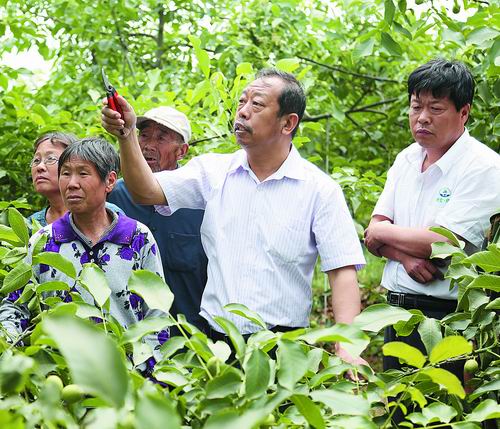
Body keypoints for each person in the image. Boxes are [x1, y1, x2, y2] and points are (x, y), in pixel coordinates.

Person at [101, 69, 366, 364]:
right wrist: (126, 134)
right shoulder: (213, 172)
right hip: (215, 346)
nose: (242, 111)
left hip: (283, 348)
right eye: (242, 101)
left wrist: (348, 348)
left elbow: (341, 271)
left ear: (288, 123)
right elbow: (146, 191)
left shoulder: (320, 190)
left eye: (257, 104)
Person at [364, 59, 500, 374]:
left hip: (449, 319)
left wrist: (384, 236)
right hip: (396, 312)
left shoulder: (484, 167)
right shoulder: (406, 158)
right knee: (398, 415)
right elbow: (373, 230)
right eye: (415, 107)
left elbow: (441, 242)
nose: (422, 118)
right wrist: (403, 255)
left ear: (463, 112)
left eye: (435, 109)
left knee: (443, 414)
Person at [1, 137, 168, 365]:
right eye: (66, 173)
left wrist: (149, 371)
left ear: (109, 181)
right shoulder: (44, 241)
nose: (71, 183)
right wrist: (10, 347)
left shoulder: (138, 238)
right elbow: (15, 304)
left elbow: (157, 314)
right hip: (62, 378)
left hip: (128, 377)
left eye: (83, 173)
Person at [107, 107, 208, 332]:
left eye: (161, 137)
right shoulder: (114, 195)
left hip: (188, 339)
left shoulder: (202, 201)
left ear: (182, 151)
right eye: (144, 135)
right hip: (127, 336)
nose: (149, 145)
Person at [28, 132, 122, 228]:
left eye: (50, 158)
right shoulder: (31, 224)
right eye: (36, 160)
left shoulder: (112, 215)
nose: (40, 167)